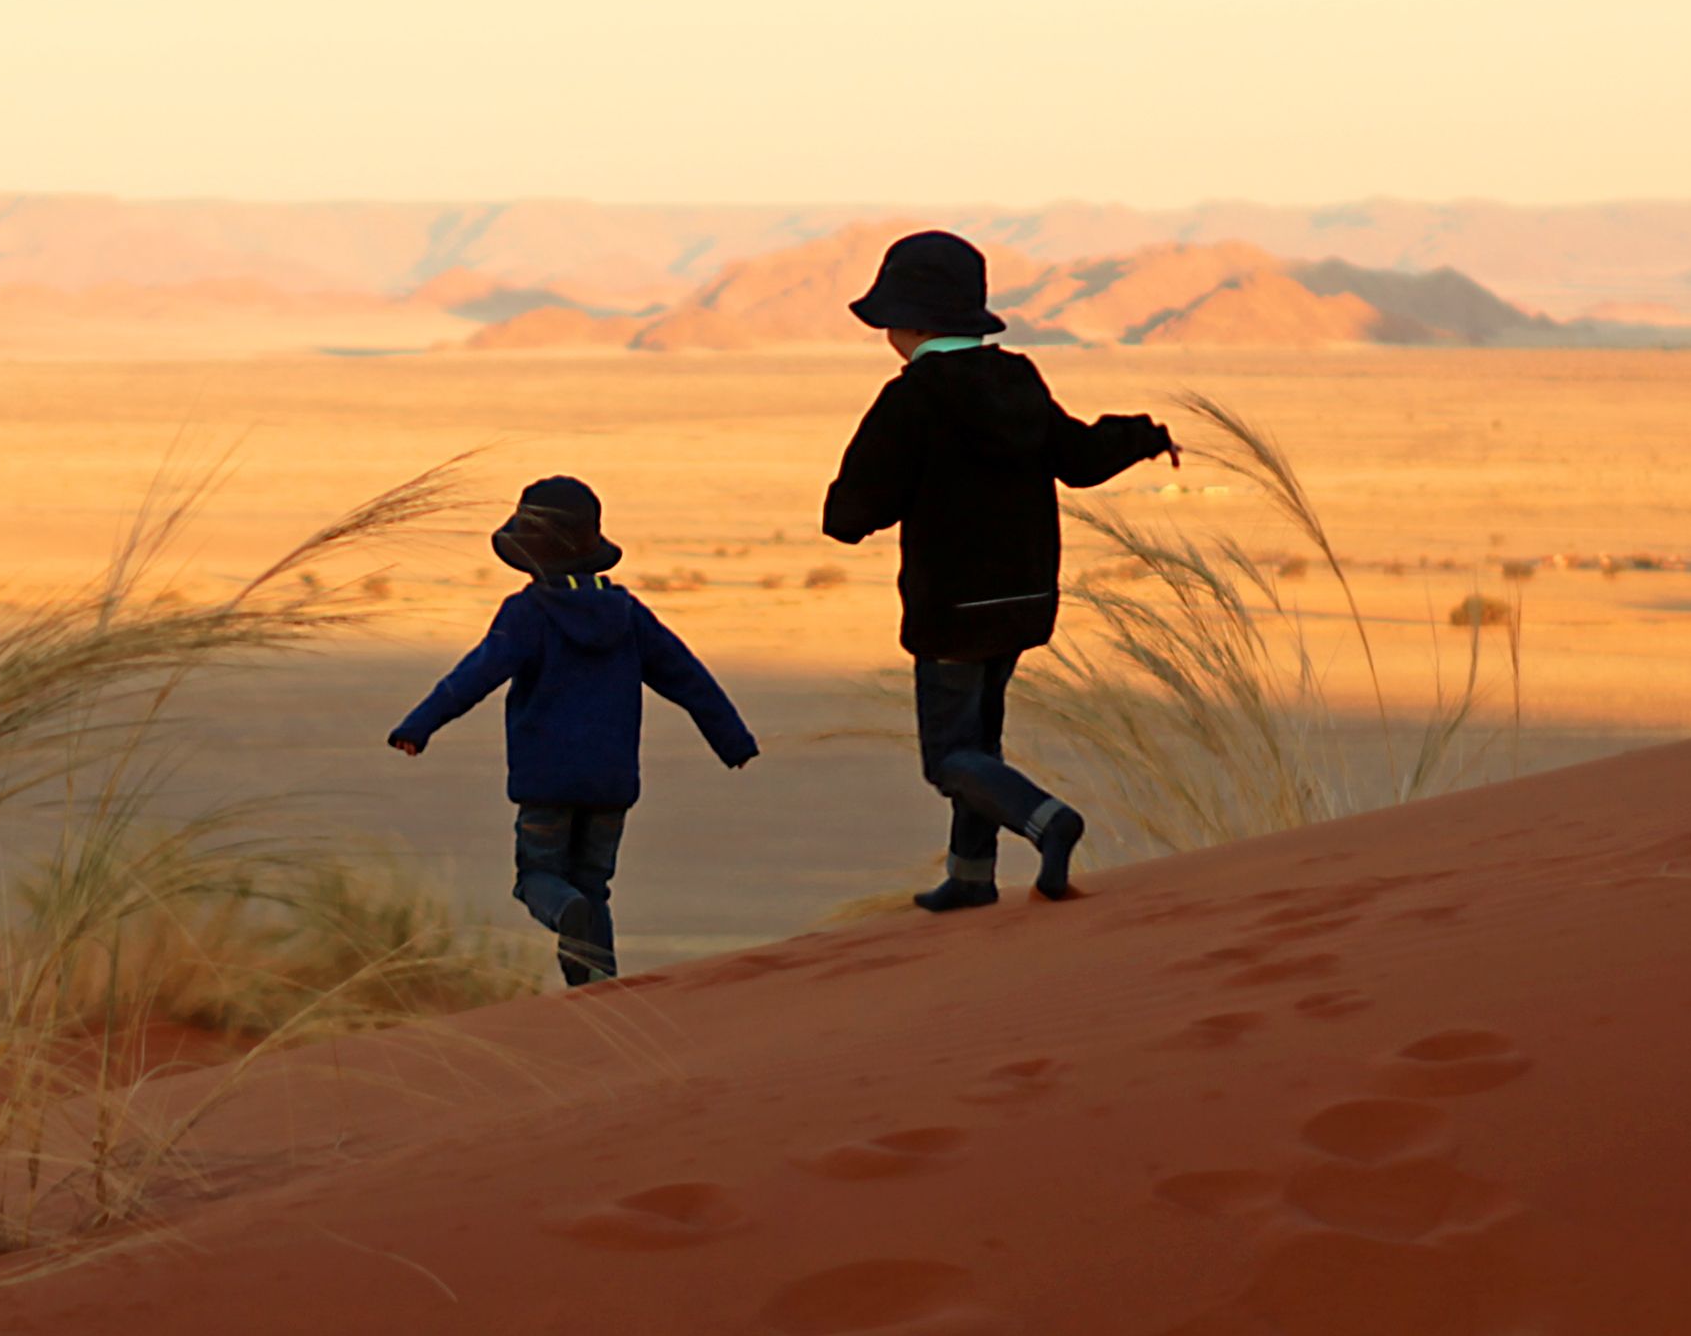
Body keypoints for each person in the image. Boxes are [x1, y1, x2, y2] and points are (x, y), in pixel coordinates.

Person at [819, 230, 1175, 911]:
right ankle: (973, 875)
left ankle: (1044, 818)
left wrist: (846, 513)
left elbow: (854, 508)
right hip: (1025, 599)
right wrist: (1143, 435)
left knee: (949, 756)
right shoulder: (1018, 379)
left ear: (911, 323)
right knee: (981, 740)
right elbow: (1079, 457)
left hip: (953, 610)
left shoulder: (913, 398)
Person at [388, 475, 758, 984]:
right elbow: (687, 677)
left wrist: (419, 725)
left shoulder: (527, 613)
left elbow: (475, 675)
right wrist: (732, 740)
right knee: (594, 885)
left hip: (547, 780)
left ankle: (565, 916)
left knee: (539, 878)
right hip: (610, 781)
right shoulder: (626, 613)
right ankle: (597, 988)